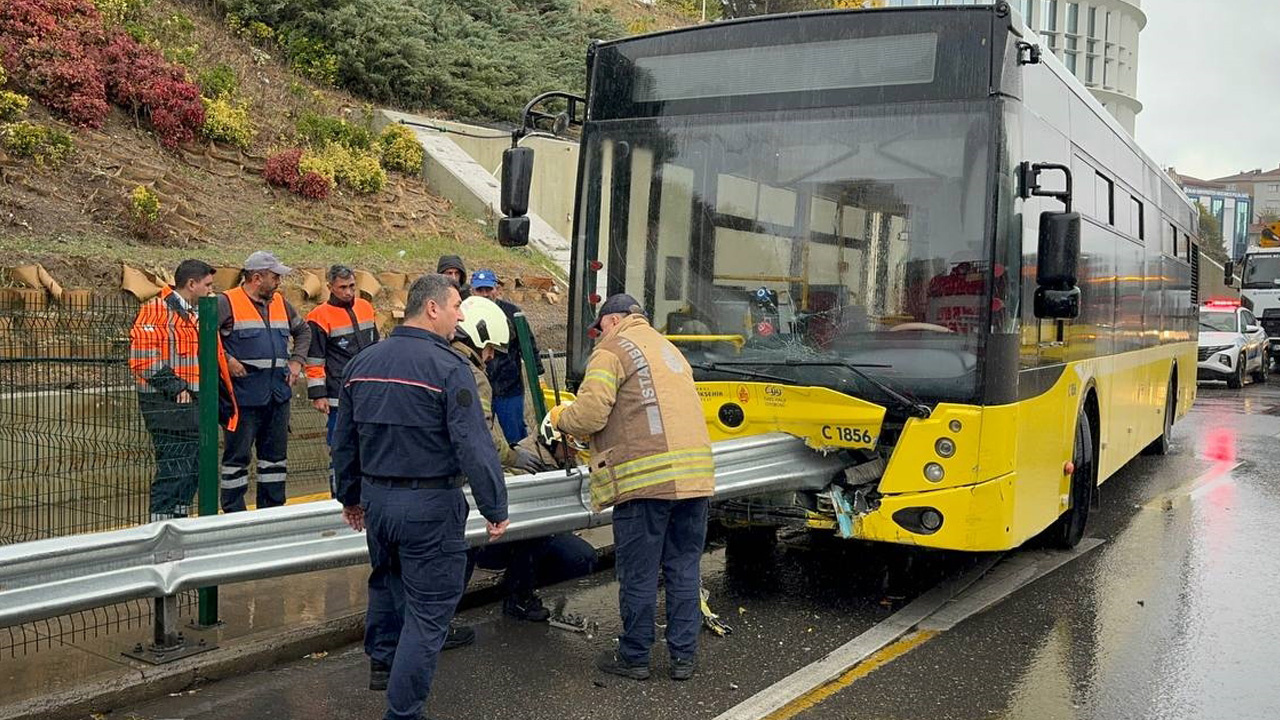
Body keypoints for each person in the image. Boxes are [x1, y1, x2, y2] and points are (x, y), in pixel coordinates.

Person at [333, 274, 509, 720]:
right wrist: (495, 508)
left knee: (389, 586)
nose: (461, 315)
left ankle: (384, 663)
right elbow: (476, 446)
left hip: (377, 504)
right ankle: (403, 712)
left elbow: (344, 441)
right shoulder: (450, 369)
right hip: (430, 507)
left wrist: (349, 497)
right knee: (429, 616)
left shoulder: (362, 363)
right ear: (432, 308)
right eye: (455, 307)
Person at [549, 294, 715, 682]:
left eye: (600, 327)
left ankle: (635, 655)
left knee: (639, 573)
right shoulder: (670, 350)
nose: (598, 335)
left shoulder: (612, 350)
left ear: (614, 320)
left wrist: (560, 417)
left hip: (646, 483)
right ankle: (683, 658)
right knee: (684, 568)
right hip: (695, 480)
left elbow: (590, 414)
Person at [452, 295, 595, 623]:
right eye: (489, 349)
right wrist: (512, 456)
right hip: (471, 506)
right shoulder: (468, 374)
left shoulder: (438, 363)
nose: (489, 358)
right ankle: (506, 600)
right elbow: (482, 439)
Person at [129, 259, 239, 521]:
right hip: (167, 404)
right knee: (174, 469)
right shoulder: (156, 311)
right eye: (208, 285)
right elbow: (143, 357)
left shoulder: (195, 314)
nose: (212, 292)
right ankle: (162, 530)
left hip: (192, 402)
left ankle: (178, 524)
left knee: (191, 471)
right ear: (192, 284)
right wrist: (176, 387)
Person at [217, 251, 311, 513]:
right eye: (275, 276)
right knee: (237, 459)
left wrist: (296, 361)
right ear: (257, 278)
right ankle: (233, 513)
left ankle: (273, 511)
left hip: (277, 396)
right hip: (243, 398)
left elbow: (303, 331)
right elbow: (202, 336)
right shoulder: (227, 302)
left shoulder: (280, 303)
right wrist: (226, 358)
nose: (279, 281)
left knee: (274, 461)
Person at [304, 265, 379, 495]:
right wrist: (318, 394)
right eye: (342, 288)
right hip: (338, 395)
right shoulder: (318, 317)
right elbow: (314, 358)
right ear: (330, 288)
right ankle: (340, 496)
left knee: (371, 445)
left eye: (352, 287)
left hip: (369, 392)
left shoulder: (366, 307)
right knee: (340, 448)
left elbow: (377, 347)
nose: (348, 292)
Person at [470, 269, 544, 445]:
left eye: (488, 289)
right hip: (478, 389)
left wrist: (539, 375)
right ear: (472, 291)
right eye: (480, 290)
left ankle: (525, 469)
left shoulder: (512, 313)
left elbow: (529, 346)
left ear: (497, 289)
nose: (485, 294)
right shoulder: (466, 314)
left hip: (509, 388)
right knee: (477, 436)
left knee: (516, 437)